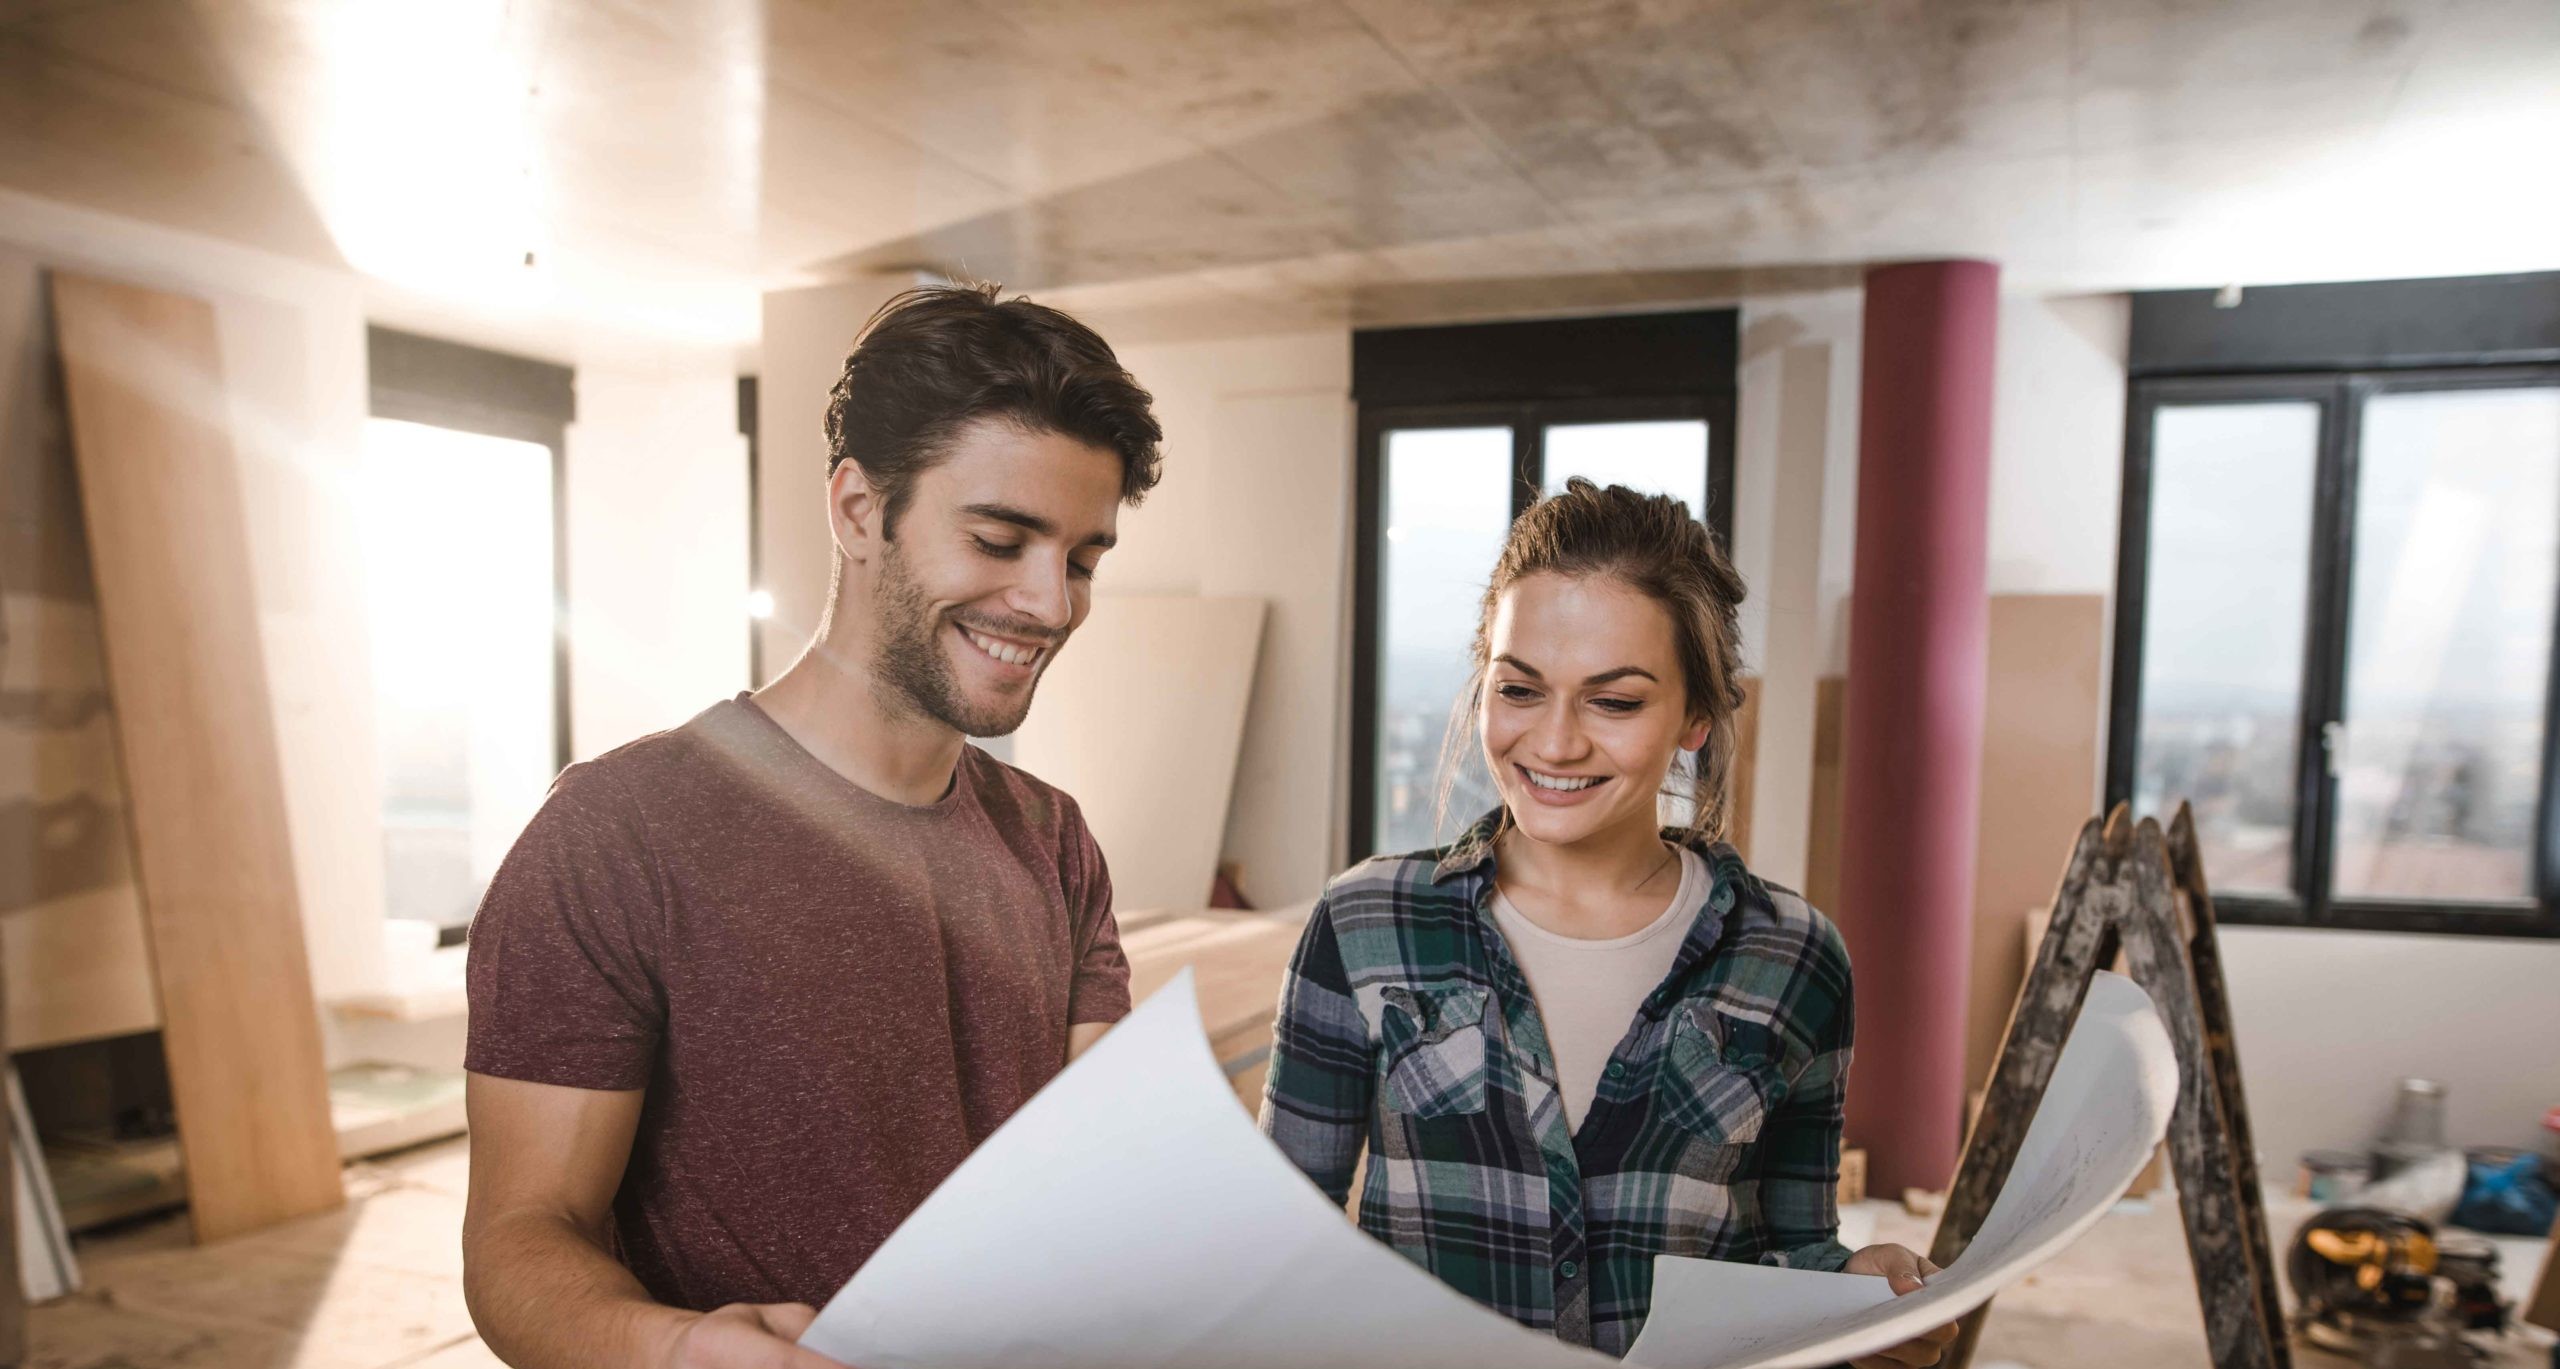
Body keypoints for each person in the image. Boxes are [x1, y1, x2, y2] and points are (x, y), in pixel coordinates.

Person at [460, 284, 1163, 1369]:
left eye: (1080, 559)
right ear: (856, 510)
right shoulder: (619, 836)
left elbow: (1096, 1181)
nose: (1050, 603)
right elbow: (519, 1241)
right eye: (998, 539)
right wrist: (674, 1349)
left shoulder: (1053, 843)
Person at [1260, 479, 1957, 1367]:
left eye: (1614, 701)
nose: (1553, 744)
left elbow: (1793, 1253)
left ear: (1696, 715)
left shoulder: (1794, 957)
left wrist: (1857, 1288)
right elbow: (1282, 1246)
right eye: (1520, 689)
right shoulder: (1364, 924)